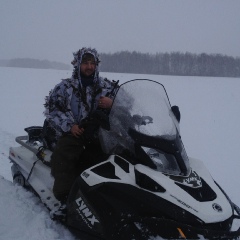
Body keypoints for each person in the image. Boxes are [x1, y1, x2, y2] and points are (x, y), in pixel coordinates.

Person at [43, 47, 117, 219]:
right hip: (75, 132)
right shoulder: (64, 88)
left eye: (92, 63)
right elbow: (52, 111)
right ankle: (64, 198)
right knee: (64, 154)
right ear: (77, 64)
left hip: (100, 133)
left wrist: (112, 103)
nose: (89, 67)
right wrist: (70, 126)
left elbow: (127, 106)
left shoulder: (107, 87)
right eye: (85, 63)